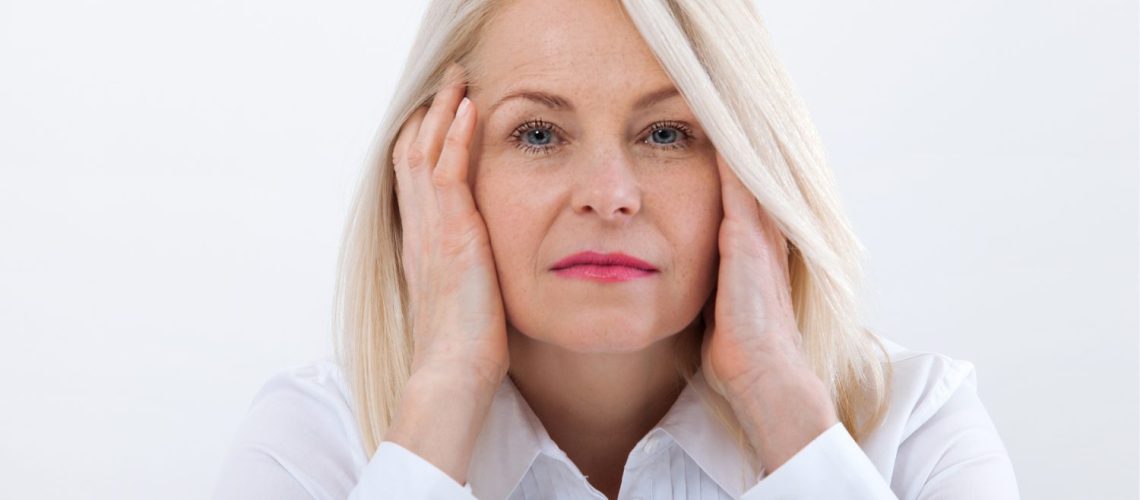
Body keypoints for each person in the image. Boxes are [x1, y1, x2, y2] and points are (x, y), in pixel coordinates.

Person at [213, 0, 1020, 498]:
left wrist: (780, 392)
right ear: (436, 162)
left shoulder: (915, 428)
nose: (610, 191)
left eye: (668, 132)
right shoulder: (315, 442)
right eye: (538, 133)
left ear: (751, 162)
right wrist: (447, 385)